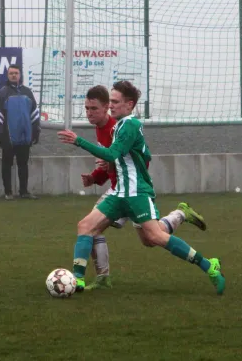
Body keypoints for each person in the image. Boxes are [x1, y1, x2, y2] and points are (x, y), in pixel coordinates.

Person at [57, 81, 225, 295]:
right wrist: (100, 174)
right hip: (120, 193)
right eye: (110, 101)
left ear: (130, 105)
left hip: (136, 193)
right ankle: (78, 280)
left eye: (115, 102)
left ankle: (209, 266)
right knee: (86, 226)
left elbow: (112, 155)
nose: (111, 106)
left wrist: (78, 141)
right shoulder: (119, 126)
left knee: (155, 237)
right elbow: (129, 158)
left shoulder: (129, 125)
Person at [0, 64, 41, 200]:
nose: (14, 75)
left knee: (23, 164)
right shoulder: (3, 93)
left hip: (25, 137)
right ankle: (8, 192)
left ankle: (24, 191)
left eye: (16, 73)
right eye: (11, 73)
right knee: (7, 164)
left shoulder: (27, 92)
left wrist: (36, 131)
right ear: (8, 76)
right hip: (9, 136)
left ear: (20, 75)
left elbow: (34, 114)